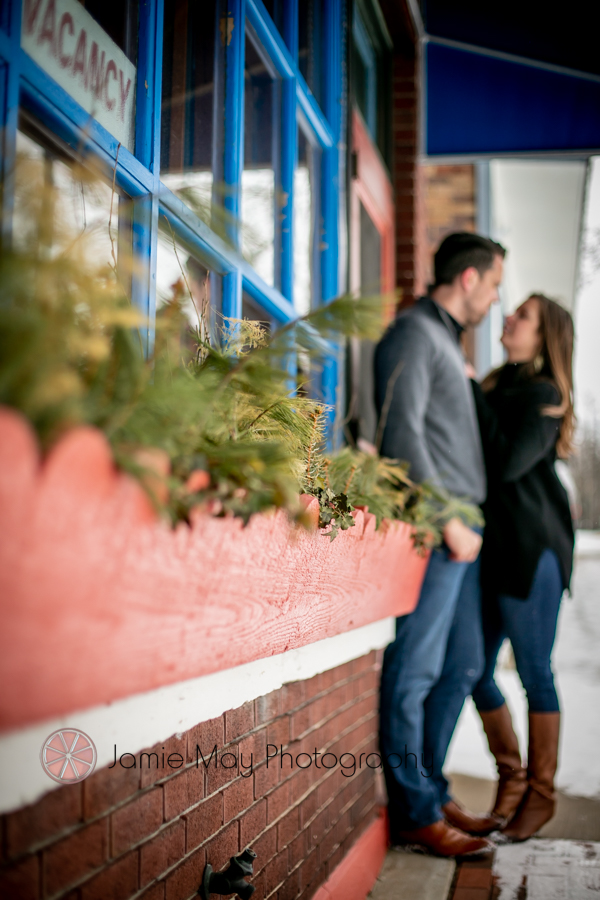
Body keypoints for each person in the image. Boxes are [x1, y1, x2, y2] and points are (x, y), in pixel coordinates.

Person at [375, 232, 506, 856]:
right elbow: (401, 430)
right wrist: (445, 517)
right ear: (471, 278)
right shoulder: (413, 333)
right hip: (440, 526)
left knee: (463, 667)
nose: (496, 298)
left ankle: (429, 787)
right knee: (417, 669)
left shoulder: (445, 342)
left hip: (464, 529)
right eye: (496, 283)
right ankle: (414, 809)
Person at [465, 294, 575, 842]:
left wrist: (467, 389)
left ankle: (542, 793)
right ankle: (511, 778)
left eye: (524, 315)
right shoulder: (493, 384)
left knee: (536, 673)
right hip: (491, 549)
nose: (509, 318)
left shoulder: (544, 394)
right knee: (474, 670)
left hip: (535, 550)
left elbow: (507, 463)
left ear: (545, 334)